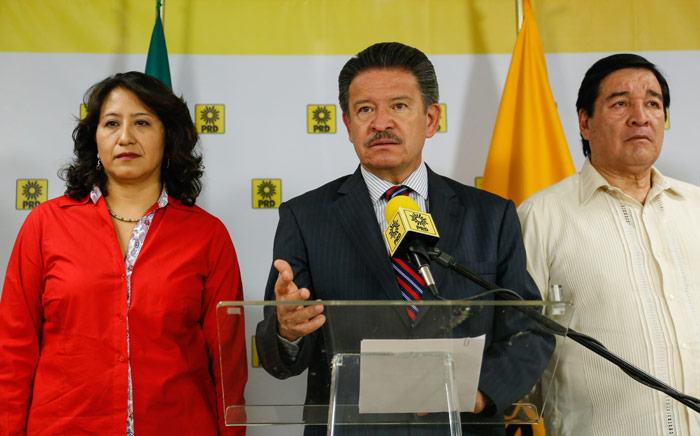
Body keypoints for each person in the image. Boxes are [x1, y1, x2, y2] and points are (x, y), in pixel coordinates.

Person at [256, 42, 553, 435]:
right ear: (347, 125)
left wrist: (478, 393)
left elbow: (528, 328)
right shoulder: (306, 217)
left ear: (431, 119)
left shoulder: (490, 215)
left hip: (462, 426)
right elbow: (281, 355)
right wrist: (287, 331)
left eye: (398, 106)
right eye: (365, 110)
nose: (381, 123)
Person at [0, 72, 247, 436]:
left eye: (142, 122)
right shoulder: (45, 225)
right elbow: (14, 352)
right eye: (112, 123)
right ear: (95, 140)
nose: (125, 137)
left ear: (168, 136)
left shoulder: (207, 236)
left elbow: (229, 365)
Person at [518, 54, 700, 435]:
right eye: (620, 104)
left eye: (653, 104)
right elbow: (518, 343)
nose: (640, 116)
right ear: (585, 122)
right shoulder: (542, 215)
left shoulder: (696, 208)